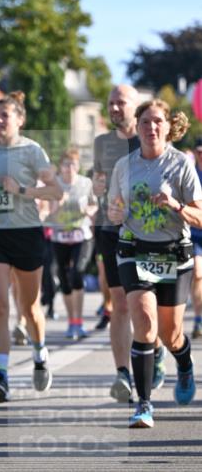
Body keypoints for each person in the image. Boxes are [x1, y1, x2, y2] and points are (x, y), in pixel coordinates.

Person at [108, 99, 202, 427]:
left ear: (167, 126)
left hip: (174, 252)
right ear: (138, 126)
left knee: (170, 332)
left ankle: (183, 360)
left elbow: (200, 216)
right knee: (145, 322)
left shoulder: (181, 165)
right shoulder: (124, 165)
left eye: (157, 121)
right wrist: (115, 212)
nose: (152, 128)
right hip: (135, 250)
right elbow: (114, 208)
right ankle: (144, 404)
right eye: (145, 122)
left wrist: (176, 206)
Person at [0, 92, 62, 402]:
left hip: (27, 234)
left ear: (20, 120)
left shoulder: (33, 152)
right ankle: (1, 375)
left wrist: (20, 189)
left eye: (5, 116)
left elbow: (55, 191)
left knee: (29, 308)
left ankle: (39, 353)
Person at [93, 84, 166, 400]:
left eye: (120, 102)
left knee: (147, 307)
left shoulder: (149, 138)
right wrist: (98, 189)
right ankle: (123, 374)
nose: (114, 108)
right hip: (110, 231)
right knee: (120, 304)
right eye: (111, 103)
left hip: (147, 233)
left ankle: (157, 347)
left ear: (136, 107)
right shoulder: (101, 143)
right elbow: (99, 186)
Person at [48, 147, 98, 339]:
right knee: (64, 277)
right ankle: (72, 321)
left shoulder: (86, 183)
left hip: (82, 235)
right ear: (60, 167)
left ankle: (79, 320)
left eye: (74, 164)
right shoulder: (55, 184)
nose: (70, 168)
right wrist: (59, 203)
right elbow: (49, 210)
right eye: (66, 164)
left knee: (77, 272)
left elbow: (95, 204)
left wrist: (89, 210)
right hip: (60, 236)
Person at [190, 138, 202, 339]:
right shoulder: (190, 172)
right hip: (195, 233)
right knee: (198, 274)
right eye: (199, 152)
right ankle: (199, 318)